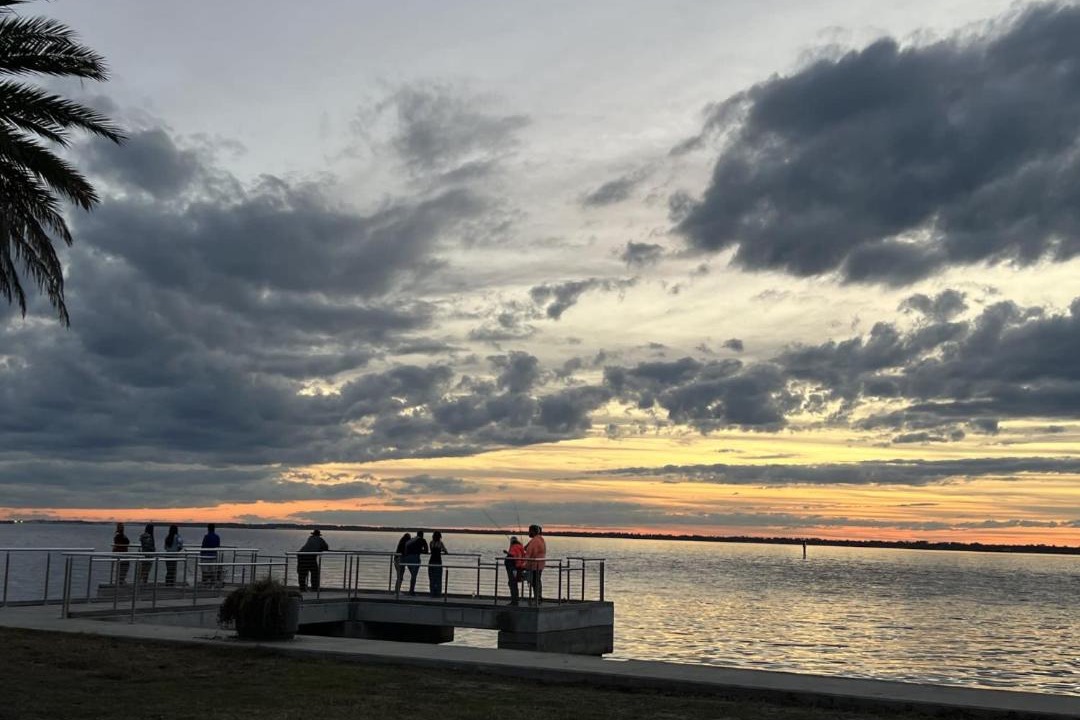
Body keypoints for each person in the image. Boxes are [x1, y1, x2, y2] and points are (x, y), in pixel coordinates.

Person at [523, 523, 546, 605]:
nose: (528, 533)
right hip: (540, 564)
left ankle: (537, 599)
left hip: (535, 565)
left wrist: (524, 563)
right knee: (537, 581)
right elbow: (527, 547)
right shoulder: (540, 539)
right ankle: (538, 598)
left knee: (535, 582)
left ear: (533, 531)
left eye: (529, 531)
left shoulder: (535, 541)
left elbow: (530, 553)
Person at [401, 530, 428, 596]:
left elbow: (406, 547)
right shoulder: (423, 540)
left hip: (407, 558)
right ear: (422, 535)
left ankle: (411, 590)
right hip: (415, 558)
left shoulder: (412, 540)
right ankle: (411, 591)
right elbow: (426, 551)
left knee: (413, 575)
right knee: (414, 575)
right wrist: (420, 550)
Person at [503, 536, 525, 605]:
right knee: (514, 583)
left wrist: (507, 553)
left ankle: (514, 601)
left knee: (512, 583)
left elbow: (513, 555)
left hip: (512, 567)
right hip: (519, 567)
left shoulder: (513, 547)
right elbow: (521, 555)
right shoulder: (520, 547)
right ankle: (516, 599)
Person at [428, 531, 447, 598]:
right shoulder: (440, 543)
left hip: (431, 561)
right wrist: (441, 550)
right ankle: (438, 593)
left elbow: (431, 550)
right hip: (438, 562)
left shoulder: (431, 543)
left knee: (431, 578)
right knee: (438, 579)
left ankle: (432, 593)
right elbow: (446, 551)